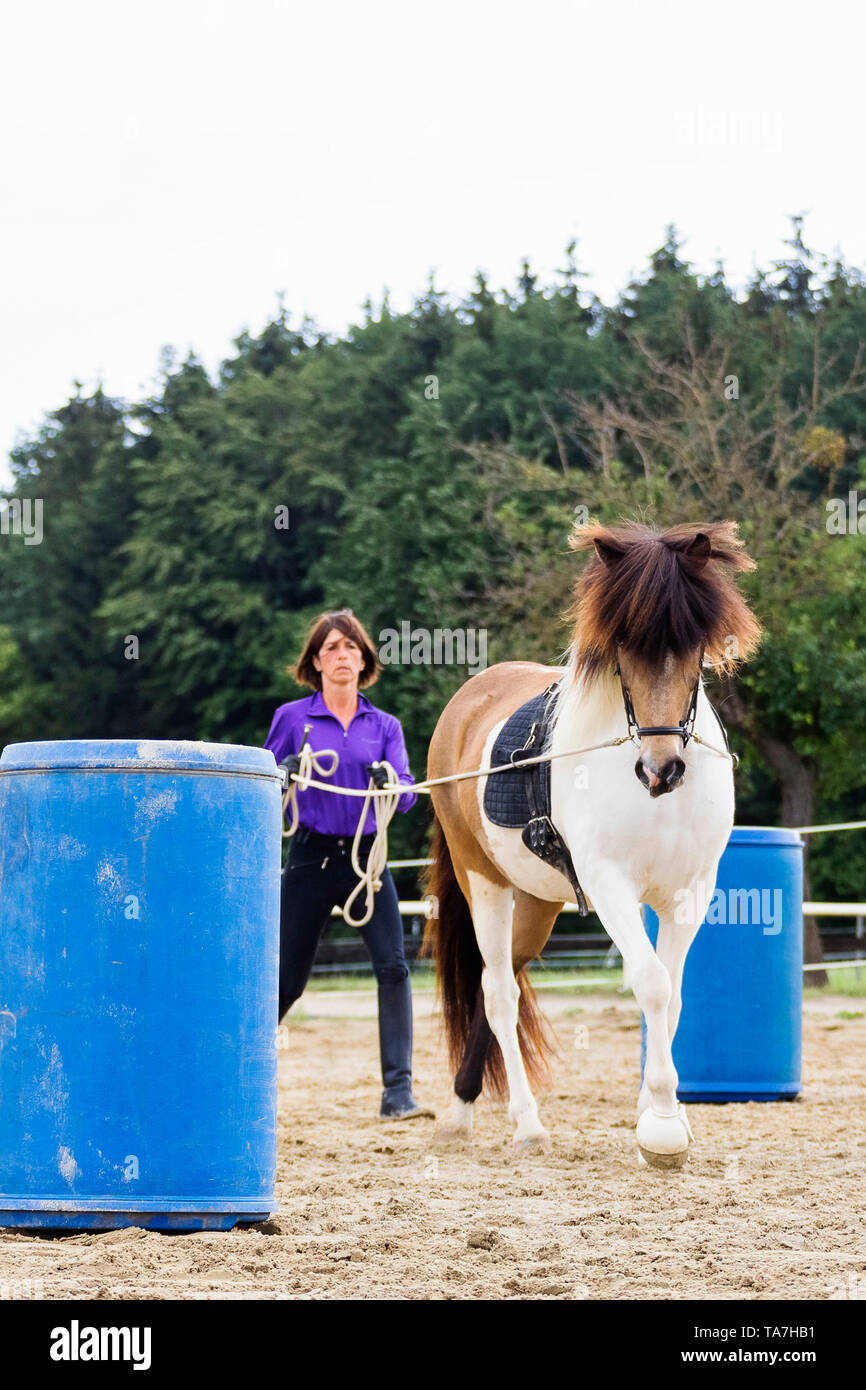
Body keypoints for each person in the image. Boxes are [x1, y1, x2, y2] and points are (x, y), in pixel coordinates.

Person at [264, 609, 434, 1121]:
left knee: (394, 967)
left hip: (365, 861)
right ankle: (236, 1068)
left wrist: (391, 784)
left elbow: (406, 795)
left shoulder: (385, 726)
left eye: (351, 647)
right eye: (332, 647)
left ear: (364, 660)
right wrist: (282, 774)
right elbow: (262, 790)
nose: (343, 656)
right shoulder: (292, 719)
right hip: (310, 855)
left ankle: (398, 1093)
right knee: (288, 978)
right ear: (315, 661)